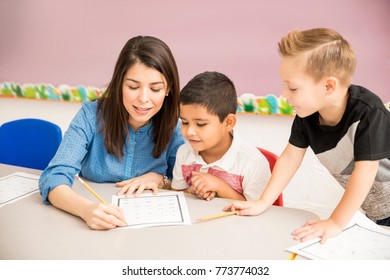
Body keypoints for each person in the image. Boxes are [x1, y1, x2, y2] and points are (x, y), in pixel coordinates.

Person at [225, 27, 390, 243]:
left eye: (292, 88)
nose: (284, 96)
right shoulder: (307, 115)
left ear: (329, 86)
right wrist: (263, 202)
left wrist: (335, 222)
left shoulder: (369, 112)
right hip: (378, 213)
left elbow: (366, 171)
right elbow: (290, 158)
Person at [39, 36, 185, 230]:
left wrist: (161, 179)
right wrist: (86, 210)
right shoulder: (91, 116)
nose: (143, 99)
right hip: (93, 227)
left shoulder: (174, 125)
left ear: (168, 89)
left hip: (152, 231)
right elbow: (53, 178)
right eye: (133, 87)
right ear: (119, 84)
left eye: (155, 89)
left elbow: (186, 181)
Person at [171, 71, 271, 201]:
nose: (189, 131)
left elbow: (258, 209)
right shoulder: (184, 153)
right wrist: (192, 190)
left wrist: (220, 187)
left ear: (228, 122)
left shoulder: (253, 163)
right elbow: (176, 196)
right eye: (184, 122)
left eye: (200, 124)